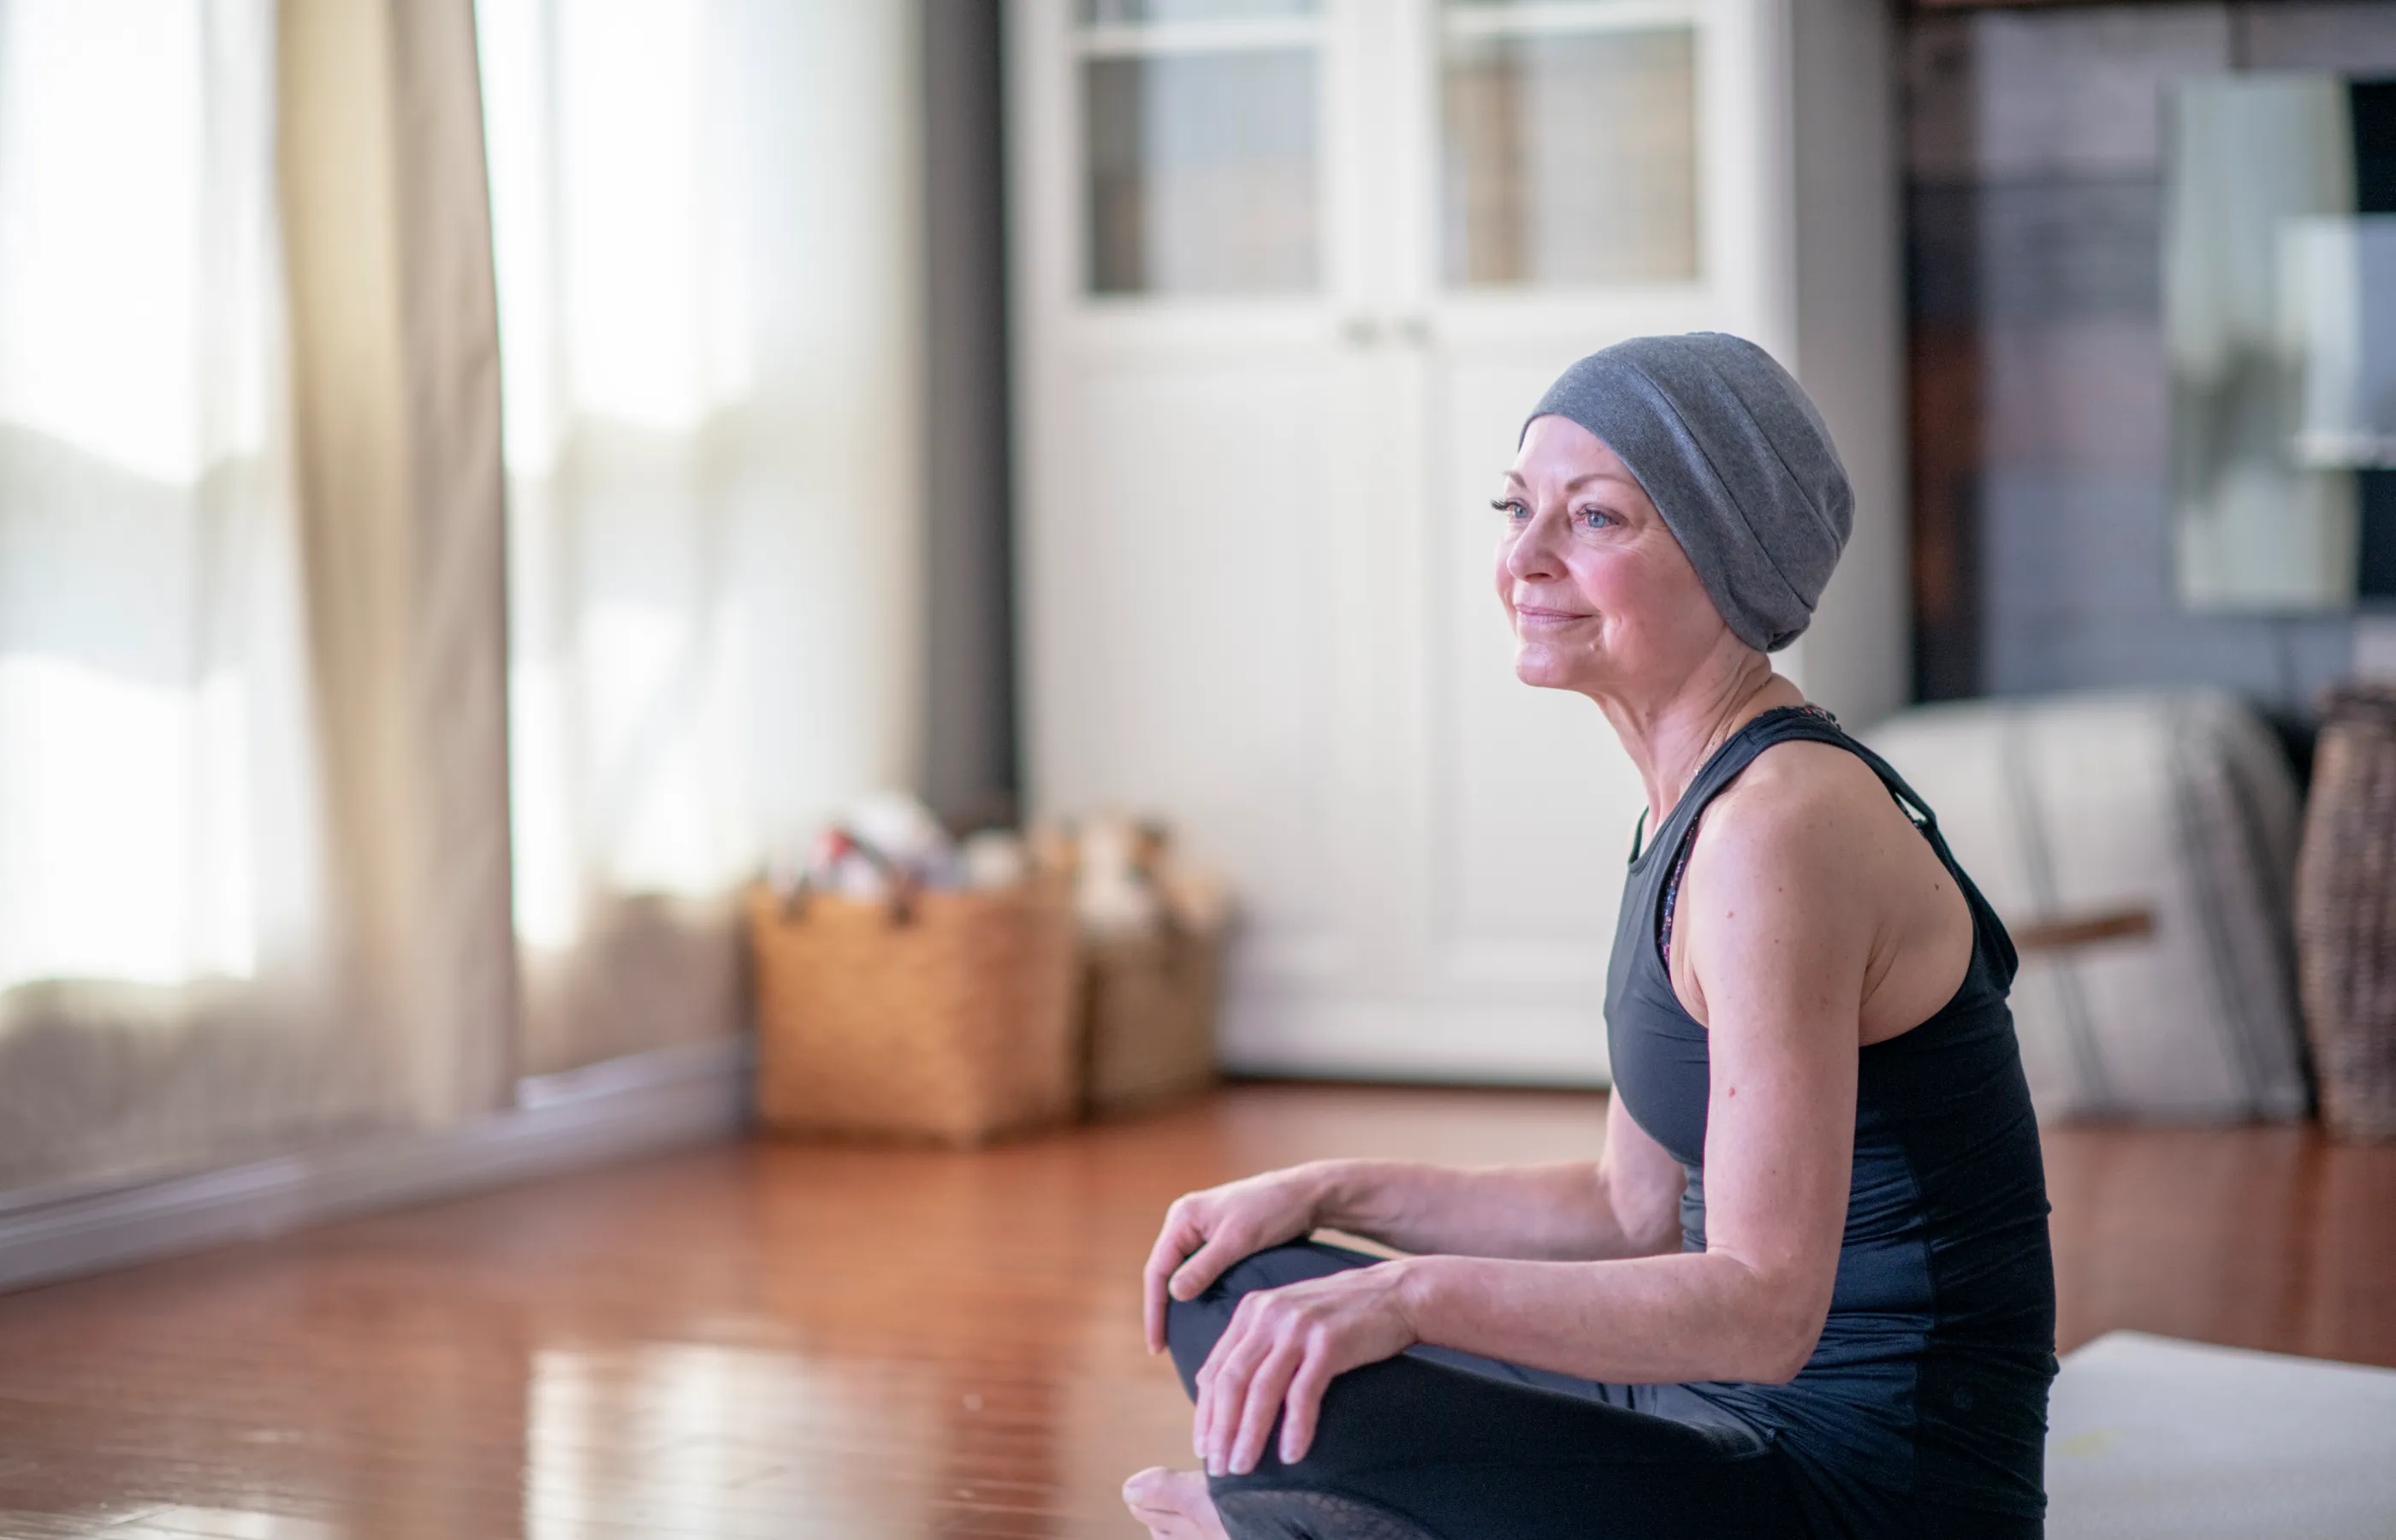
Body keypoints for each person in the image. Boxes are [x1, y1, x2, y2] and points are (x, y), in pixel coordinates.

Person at [1120, 333, 2055, 1540]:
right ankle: (1315, 1514)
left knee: (1317, 1394)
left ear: (1728, 563)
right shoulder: (1691, 795)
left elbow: (1766, 1309)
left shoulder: (1781, 829)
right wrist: (1319, 1192)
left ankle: (1308, 1519)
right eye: (1518, 508)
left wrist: (1404, 1299)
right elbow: (1628, 1213)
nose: (1523, 558)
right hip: (1708, 1406)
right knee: (1242, 1293)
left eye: (1597, 519)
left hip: (1865, 1489)